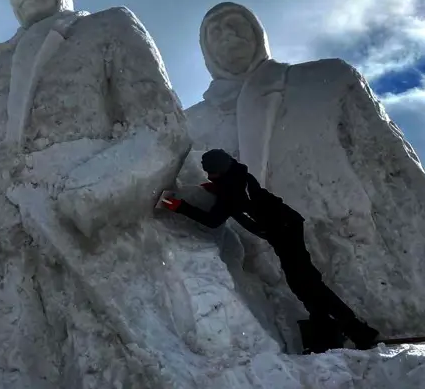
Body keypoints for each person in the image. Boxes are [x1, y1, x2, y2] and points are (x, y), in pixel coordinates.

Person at [158, 148, 380, 352]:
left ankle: (358, 332)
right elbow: (235, 192)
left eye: (211, 173)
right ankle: (326, 325)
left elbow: (213, 220)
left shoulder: (232, 189)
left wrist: (181, 207)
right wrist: (218, 188)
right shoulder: (237, 175)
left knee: (308, 284)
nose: (208, 176)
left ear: (220, 170)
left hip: (283, 231)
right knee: (303, 283)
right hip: (286, 227)